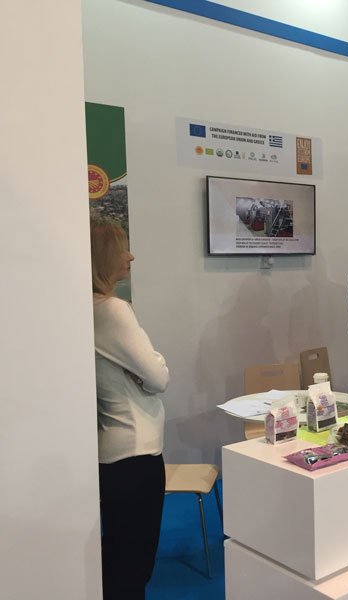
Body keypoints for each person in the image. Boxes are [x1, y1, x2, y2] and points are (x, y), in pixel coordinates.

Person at [91, 215, 170, 600]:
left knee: (119, 556)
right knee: (132, 565)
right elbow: (158, 377)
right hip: (136, 456)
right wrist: (153, 366)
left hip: (114, 453)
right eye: (121, 249)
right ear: (101, 257)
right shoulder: (112, 310)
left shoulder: (84, 308)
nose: (131, 256)